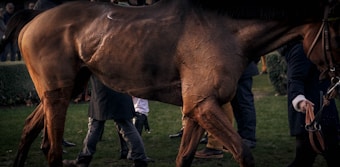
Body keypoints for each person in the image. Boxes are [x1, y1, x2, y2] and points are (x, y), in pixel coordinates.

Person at [63, 76, 150, 167]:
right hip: (120, 92)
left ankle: (83, 160)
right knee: (127, 127)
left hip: (102, 93)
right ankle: (140, 159)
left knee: (95, 127)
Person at [280, 41, 340, 167]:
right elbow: (295, 79)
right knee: (306, 159)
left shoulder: (317, 47)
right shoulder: (302, 49)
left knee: (307, 159)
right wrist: (300, 101)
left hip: (323, 112)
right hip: (310, 115)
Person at [194, 61, 259, 158]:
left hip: (239, 69)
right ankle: (231, 138)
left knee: (243, 104)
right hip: (235, 69)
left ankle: (247, 137)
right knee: (236, 104)